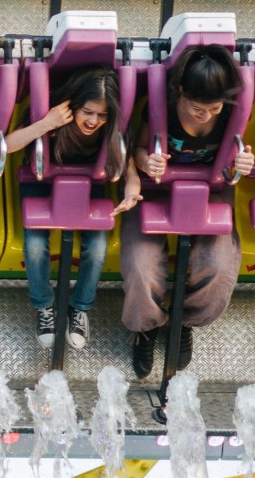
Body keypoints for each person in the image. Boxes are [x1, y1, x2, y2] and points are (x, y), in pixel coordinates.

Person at [121, 44, 254, 379]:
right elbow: (136, 149)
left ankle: (184, 320)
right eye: (198, 108)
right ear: (180, 91)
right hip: (157, 189)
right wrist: (145, 161)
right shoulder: (158, 108)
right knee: (141, 265)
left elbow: (241, 157)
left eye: (214, 108)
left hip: (209, 190)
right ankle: (147, 326)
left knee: (219, 265)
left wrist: (243, 163)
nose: (206, 115)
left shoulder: (232, 114)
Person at [5, 65, 136, 350]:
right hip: (41, 181)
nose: (94, 121)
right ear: (73, 105)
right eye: (87, 112)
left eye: (102, 115)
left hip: (88, 185)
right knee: (37, 245)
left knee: (98, 247)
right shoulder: (49, 113)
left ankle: (80, 308)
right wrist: (46, 124)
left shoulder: (109, 129)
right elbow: (6, 146)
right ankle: (43, 306)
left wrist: (132, 192)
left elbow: (129, 167)